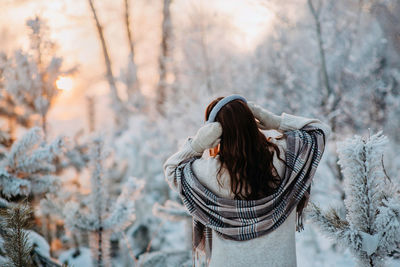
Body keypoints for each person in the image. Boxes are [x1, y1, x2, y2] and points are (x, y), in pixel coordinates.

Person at [163, 95, 331, 267]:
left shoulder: (208, 172)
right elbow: (319, 130)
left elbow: (172, 169)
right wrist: (276, 121)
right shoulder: (286, 157)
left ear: (214, 132)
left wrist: (197, 144)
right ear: (252, 122)